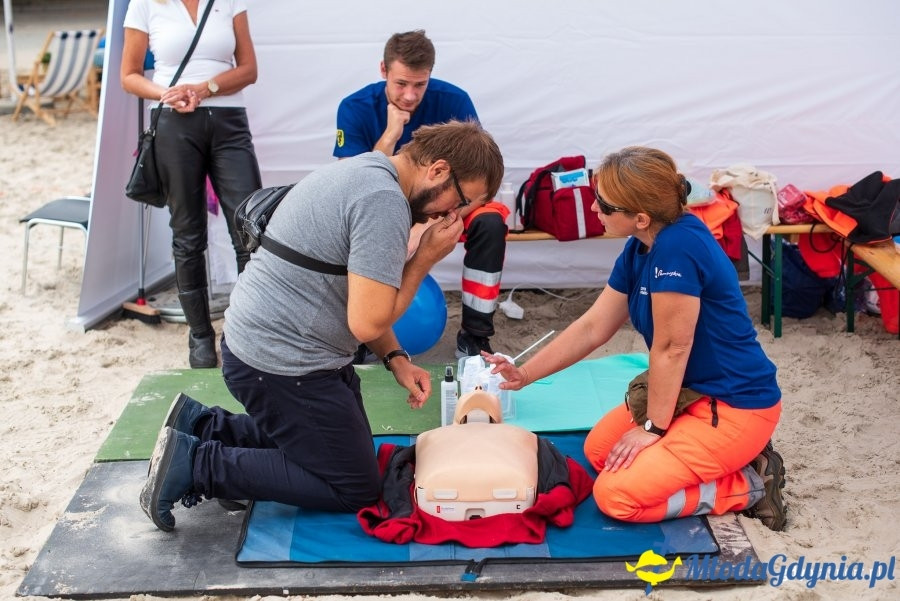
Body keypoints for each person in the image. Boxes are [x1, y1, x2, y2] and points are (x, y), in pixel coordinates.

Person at [139, 120, 505, 531]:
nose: (451, 215)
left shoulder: (371, 169)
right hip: (282, 363)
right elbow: (367, 321)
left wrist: (396, 358)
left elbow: (362, 295)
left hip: (271, 345)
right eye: (460, 201)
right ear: (437, 171)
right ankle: (198, 464)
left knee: (343, 453)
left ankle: (204, 426)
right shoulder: (384, 204)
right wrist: (424, 259)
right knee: (355, 487)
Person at [484, 146, 788, 531]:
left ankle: (752, 484)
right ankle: (721, 457)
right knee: (599, 453)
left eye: (604, 205)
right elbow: (594, 326)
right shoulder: (642, 244)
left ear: (641, 217)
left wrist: (652, 430)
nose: (594, 210)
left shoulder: (678, 249)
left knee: (616, 496)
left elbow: (672, 348)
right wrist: (524, 374)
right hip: (689, 393)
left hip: (733, 405)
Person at [334, 30, 508, 358]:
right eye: (401, 84)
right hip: (377, 213)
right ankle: (356, 335)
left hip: (447, 208)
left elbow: (480, 185)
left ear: (431, 75)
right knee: (348, 229)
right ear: (383, 70)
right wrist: (391, 134)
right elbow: (351, 187)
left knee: (490, 222)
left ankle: (475, 335)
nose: (411, 95)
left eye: (420, 84)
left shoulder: (455, 102)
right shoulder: (354, 107)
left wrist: (425, 226)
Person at [121, 0, 263, 369]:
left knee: (249, 227)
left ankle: (248, 329)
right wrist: (165, 93)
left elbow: (249, 69)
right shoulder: (143, 5)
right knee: (188, 233)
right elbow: (129, 75)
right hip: (173, 122)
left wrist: (206, 87)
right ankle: (200, 335)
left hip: (229, 120)